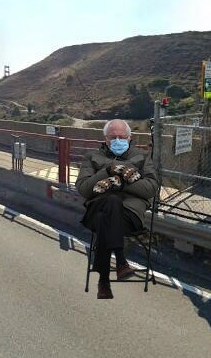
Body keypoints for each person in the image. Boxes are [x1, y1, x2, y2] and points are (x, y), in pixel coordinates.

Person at [76, 119, 159, 299]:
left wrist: (118, 184)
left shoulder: (143, 157)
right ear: (105, 139)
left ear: (130, 137)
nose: (118, 140)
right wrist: (107, 171)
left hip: (129, 217)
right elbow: (83, 189)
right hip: (96, 211)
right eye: (113, 137)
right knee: (110, 203)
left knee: (109, 208)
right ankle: (121, 262)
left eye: (122, 136)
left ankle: (103, 281)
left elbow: (150, 189)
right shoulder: (91, 157)